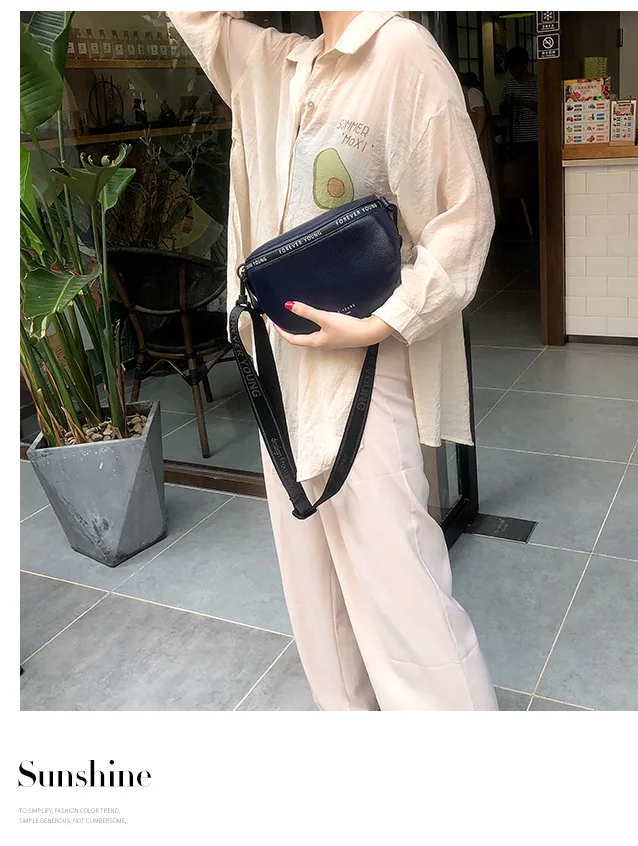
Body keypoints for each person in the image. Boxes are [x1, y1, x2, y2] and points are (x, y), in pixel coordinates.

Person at [166, 11, 498, 711]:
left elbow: (465, 216)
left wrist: (382, 321)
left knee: (403, 595)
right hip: (280, 375)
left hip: (366, 374)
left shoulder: (400, 50)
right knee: (316, 596)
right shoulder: (273, 65)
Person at [498, 47, 539, 233]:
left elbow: (544, 107)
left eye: (513, 68)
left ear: (522, 65)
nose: (512, 72)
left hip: (534, 138)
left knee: (534, 181)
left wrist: (522, 101)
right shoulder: (509, 85)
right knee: (516, 182)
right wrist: (507, 104)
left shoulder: (537, 83)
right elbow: (501, 109)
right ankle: (519, 222)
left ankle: (535, 218)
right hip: (515, 139)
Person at [460, 71, 501, 219]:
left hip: (480, 140)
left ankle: (486, 214)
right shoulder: (475, 91)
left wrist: (475, 137)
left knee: (482, 174)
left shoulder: (473, 92)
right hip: (480, 138)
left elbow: (481, 114)